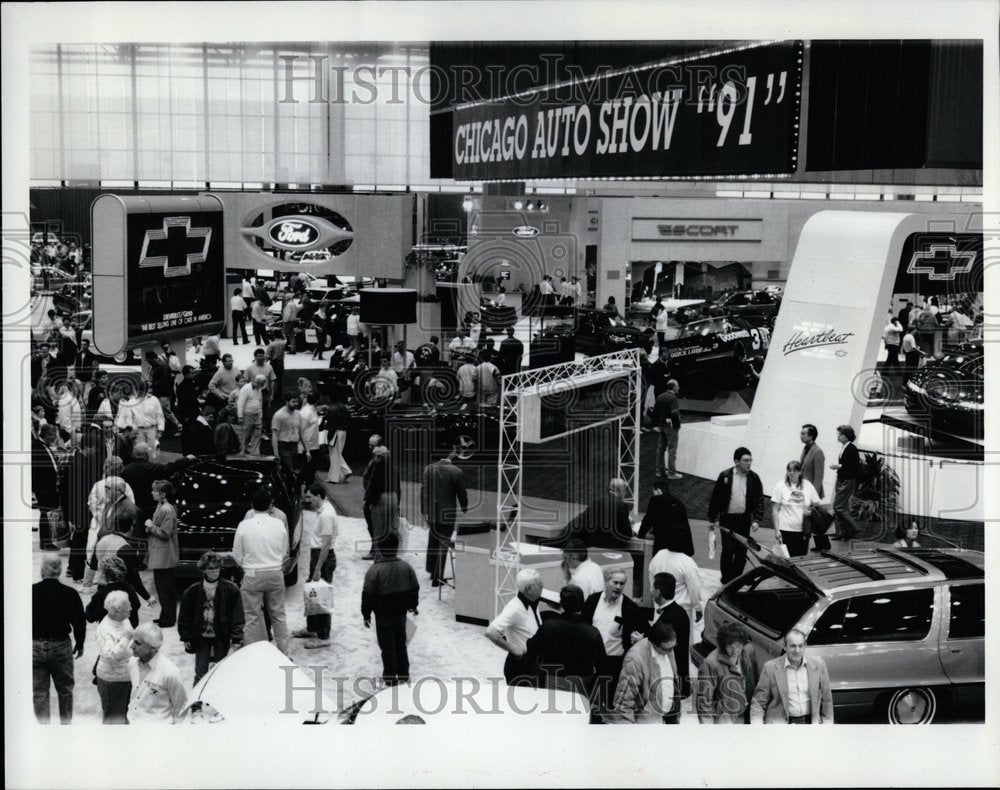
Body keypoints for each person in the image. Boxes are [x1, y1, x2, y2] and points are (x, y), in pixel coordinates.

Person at [233, 488, 290, 655]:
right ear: (270, 505)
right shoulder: (279, 523)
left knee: (252, 617)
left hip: (252, 574)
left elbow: (237, 554)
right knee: (278, 615)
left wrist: (248, 566)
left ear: (252, 505)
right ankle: (284, 653)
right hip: (275, 573)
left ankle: (255, 653)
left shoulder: (244, 525)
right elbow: (284, 551)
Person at [525, 584, 605, 700]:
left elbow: (531, 647)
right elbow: (602, 665)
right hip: (582, 684)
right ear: (582, 604)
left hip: (553, 681)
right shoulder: (592, 632)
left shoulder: (548, 626)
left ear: (561, 603)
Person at [582, 568, 645, 712]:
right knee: (585, 701)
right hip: (591, 661)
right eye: (615, 582)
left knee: (608, 704)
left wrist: (640, 640)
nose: (618, 587)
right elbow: (584, 626)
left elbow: (647, 631)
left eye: (622, 583)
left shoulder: (630, 608)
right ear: (606, 582)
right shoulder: (592, 601)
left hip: (613, 663)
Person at [32, 554, 85, 724]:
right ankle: (65, 726)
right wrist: (80, 643)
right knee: (65, 690)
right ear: (60, 570)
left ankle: (43, 729)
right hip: (61, 645)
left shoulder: (31, 592)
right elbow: (79, 621)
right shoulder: (69, 593)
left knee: (40, 691)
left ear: (42, 570)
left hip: (35, 645)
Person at [361, 533, 420, 687]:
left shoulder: (374, 571)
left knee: (387, 647)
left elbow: (367, 595)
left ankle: (390, 677)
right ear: (397, 548)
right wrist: (413, 605)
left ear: (379, 549)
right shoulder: (407, 567)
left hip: (383, 616)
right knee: (401, 644)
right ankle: (404, 675)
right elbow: (414, 588)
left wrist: (366, 614)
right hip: (401, 615)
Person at [178, 551, 244, 683]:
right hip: (201, 637)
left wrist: (236, 639)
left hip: (222, 636)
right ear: (203, 570)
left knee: (221, 672)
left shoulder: (231, 589)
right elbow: (185, 616)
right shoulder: (193, 591)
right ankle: (197, 701)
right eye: (211, 568)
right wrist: (186, 636)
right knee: (200, 673)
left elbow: (237, 617)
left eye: (217, 568)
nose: (215, 571)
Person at [751, 628, 833, 724]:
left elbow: (827, 700)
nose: (797, 650)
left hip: (810, 725)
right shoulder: (770, 667)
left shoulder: (819, 666)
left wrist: (828, 726)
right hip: (780, 727)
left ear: (805, 646)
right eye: (793, 646)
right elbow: (758, 702)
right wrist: (757, 728)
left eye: (800, 646)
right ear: (785, 646)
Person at [707, 447, 765, 584]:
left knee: (741, 552)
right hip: (727, 519)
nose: (749, 463)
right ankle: (726, 579)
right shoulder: (725, 476)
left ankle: (735, 579)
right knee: (728, 549)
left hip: (744, 520)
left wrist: (757, 519)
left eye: (750, 460)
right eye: (746, 460)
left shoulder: (754, 478)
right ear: (736, 461)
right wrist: (711, 519)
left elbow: (759, 500)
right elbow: (715, 498)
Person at [607, 620, 682, 724]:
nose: (670, 652)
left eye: (673, 647)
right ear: (653, 644)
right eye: (666, 649)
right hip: (645, 724)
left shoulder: (668, 648)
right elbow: (624, 704)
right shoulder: (635, 660)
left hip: (666, 718)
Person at [292, 484, 338, 649]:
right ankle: (312, 628)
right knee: (312, 594)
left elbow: (326, 545)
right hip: (317, 556)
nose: (306, 500)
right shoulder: (323, 510)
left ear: (319, 496)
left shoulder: (326, 515)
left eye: (309, 496)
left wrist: (318, 568)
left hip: (322, 558)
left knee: (322, 597)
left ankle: (324, 636)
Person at [420, 441, 469, 586]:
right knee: (443, 543)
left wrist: (424, 510)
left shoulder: (429, 469)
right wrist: (464, 507)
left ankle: (431, 570)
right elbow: (462, 493)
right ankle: (437, 576)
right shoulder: (456, 472)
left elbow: (423, 491)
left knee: (433, 540)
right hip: (447, 514)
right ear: (451, 452)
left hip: (432, 512)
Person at [485, 568, 543, 685]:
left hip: (533, 663)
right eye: (539, 585)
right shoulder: (515, 608)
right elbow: (491, 631)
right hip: (521, 665)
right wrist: (512, 649)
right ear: (529, 589)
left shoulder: (531, 599)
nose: (542, 587)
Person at [696, 621, 762, 724]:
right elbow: (704, 704)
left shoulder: (749, 651)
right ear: (723, 644)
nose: (736, 650)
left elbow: (757, 683)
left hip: (747, 714)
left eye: (739, 645)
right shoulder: (710, 664)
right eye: (731, 646)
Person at [127, 623, 188, 724]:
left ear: (153, 648)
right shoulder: (132, 662)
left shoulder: (170, 672)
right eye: (133, 640)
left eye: (138, 643)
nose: (131, 646)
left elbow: (181, 706)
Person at [648, 531, 703, 634]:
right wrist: (698, 608)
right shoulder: (687, 562)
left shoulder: (658, 555)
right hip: (681, 611)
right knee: (680, 644)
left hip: (660, 607)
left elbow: (651, 579)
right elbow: (694, 589)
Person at [95, 589, 134, 724]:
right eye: (128, 608)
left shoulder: (124, 620)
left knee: (124, 716)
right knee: (113, 718)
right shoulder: (104, 629)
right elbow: (110, 656)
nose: (131, 609)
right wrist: (126, 638)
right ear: (116, 611)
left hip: (126, 676)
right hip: (112, 681)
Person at [771, 460, 823, 557]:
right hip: (785, 529)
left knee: (800, 558)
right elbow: (775, 509)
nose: (791, 473)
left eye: (795, 470)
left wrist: (811, 511)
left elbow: (817, 505)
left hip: (803, 530)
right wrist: (776, 530)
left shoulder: (807, 485)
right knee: (785, 559)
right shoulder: (780, 485)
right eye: (789, 470)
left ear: (800, 472)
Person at [146, 479, 179, 627]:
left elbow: (165, 532)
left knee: (165, 589)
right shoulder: (161, 506)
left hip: (165, 555)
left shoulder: (167, 509)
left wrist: (150, 526)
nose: (152, 493)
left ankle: (169, 618)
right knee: (162, 589)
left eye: (154, 491)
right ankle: (165, 615)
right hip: (160, 553)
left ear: (162, 494)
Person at [563, 478, 632, 548]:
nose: (625, 494)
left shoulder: (595, 500)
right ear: (621, 490)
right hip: (613, 547)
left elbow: (583, 519)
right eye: (625, 490)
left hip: (593, 544)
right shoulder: (621, 505)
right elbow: (627, 534)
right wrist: (629, 523)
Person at [86, 555, 146, 629]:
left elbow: (90, 617)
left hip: (109, 632)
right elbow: (137, 605)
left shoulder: (102, 593)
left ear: (104, 574)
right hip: (129, 630)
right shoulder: (129, 588)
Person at [638, 478, 694, 557]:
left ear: (658, 490)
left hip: (662, 542)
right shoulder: (680, 503)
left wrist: (640, 535)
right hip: (678, 544)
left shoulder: (655, 500)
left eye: (653, 492)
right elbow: (685, 525)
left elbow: (648, 520)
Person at [829, 424, 862, 541]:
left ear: (847, 436)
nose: (838, 436)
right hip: (842, 478)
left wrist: (838, 466)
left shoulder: (852, 448)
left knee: (837, 506)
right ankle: (842, 532)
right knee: (842, 506)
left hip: (847, 480)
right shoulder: (844, 447)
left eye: (841, 434)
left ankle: (853, 527)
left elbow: (855, 467)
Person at [271, 391, 310, 480]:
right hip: (283, 445)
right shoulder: (279, 415)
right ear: (287, 402)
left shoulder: (298, 414)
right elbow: (275, 435)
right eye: (293, 402)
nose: (296, 404)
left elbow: (301, 433)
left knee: (294, 471)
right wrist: (275, 452)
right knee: (290, 471)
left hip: (294, 446)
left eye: (297, 402)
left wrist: (307, 449)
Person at [145, 350, 182, 436]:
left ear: (154, 358)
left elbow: (165, 381)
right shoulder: (154, 367)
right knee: (158, 411)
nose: (148, 362)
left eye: (149, 360)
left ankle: (179, 426)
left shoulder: (163, 367)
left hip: (163, 393)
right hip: (158, 392)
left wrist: (152, 384)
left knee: (166, 412)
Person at [236, 374, 267, 455]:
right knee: (245, 435)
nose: (262, 386)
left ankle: (255, 453)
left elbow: (260, 403)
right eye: (261, 384)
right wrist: (240, 416)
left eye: (262, 384)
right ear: (255, 381)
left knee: (257, 434)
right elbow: (240, 403)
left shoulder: (259, 389)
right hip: (247, 414)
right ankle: (242, 453)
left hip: (257, 415)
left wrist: (261, 416)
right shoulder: (246, 388)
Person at [324, 401, 352, 483]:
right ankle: (337, 475)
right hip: (343, 432)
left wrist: (329, 436)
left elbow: (332, 424)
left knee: (334, 454)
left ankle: (335, 477)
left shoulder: (332, 409)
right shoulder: (342, 407)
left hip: (335, 433)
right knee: (337, 454)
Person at [265, 335, 287, 403]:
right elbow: (286, 339)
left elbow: (268, 356)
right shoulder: (284, 342)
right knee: (280, 380)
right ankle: (279, 395)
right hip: (281, 363)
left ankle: (271, 394)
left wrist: (264, 363)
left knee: (272, 379)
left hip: (274, 363)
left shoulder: (271, 344)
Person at [882, 312, 903, 378]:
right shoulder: (892, 328)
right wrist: (898, 323)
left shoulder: (889, 327)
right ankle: (898, 372)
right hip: (893, 345)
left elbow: (885, 337)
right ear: (895, 322)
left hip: (891, 345)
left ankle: (885, 372)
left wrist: (885, 344)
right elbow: (901, 330)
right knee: (893, 359)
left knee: (891, 359)